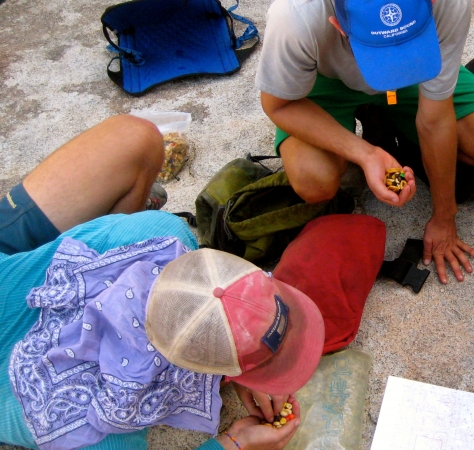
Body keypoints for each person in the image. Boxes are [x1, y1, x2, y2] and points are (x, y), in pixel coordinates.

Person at [0, 115, 324, 450]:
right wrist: (233, 443)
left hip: (8, 271)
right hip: (13, 378)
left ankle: (110, 208)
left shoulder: (158, 232)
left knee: (134, 137)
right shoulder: (96, 430)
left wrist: (234, 360)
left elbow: (199, 307)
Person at [255, 0, 474, 284]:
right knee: (314, 182)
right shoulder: (296, 14)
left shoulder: (450, 2)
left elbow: (435, 119)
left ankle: (385, 114)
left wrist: (444, 215)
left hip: (416, 67)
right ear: (337, 25)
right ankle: (373, 114)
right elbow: (279, 105)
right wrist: (366, 153)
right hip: (325, 79)